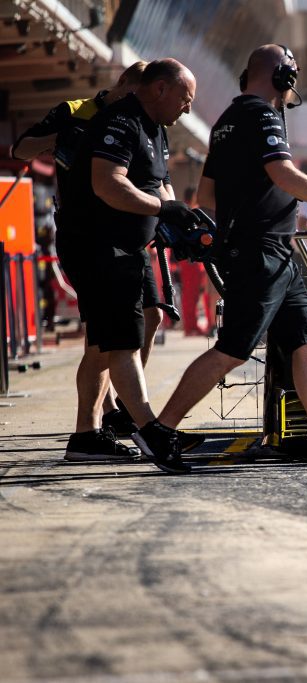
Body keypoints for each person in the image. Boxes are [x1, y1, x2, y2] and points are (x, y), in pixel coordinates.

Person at [141, 44, 307, 474]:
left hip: (271, 255)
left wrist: (218, 238)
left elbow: (206, 194)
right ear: (283, 78)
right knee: (233, 350)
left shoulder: (226, 122)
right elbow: (282, 174)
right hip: (260, 253)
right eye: (293, 78)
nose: (294, 89)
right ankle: (160, 430)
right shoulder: (263, 116)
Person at [11, 61, 165, 461]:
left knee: (149, 317)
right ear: (126, 84)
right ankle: (110, 420)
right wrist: (59, 138)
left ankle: (115, 408)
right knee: (108, 338)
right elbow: (21, 148)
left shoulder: (146, 119)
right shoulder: (76, 110)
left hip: (131, 239)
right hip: (91, 237)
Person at [59, 59, 200, 465]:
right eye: (185, 99)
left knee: (109, 342)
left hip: (129, 247)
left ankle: (86, 436)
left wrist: (179, 219)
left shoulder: (156, 126)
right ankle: (149, 431)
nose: (188, 108)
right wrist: (162, 209)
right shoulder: (120, 120)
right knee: (121, 339)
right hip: (98, 245)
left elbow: (160, 183)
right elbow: (108, 184)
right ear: (159, 88)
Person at [177, 186, 216, 336]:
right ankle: (190, 326)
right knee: (191, 293)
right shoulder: (190, 211)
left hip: (196, 259)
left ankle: (195, 325)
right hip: (190, 259)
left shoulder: (194, 210)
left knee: (199, 293)